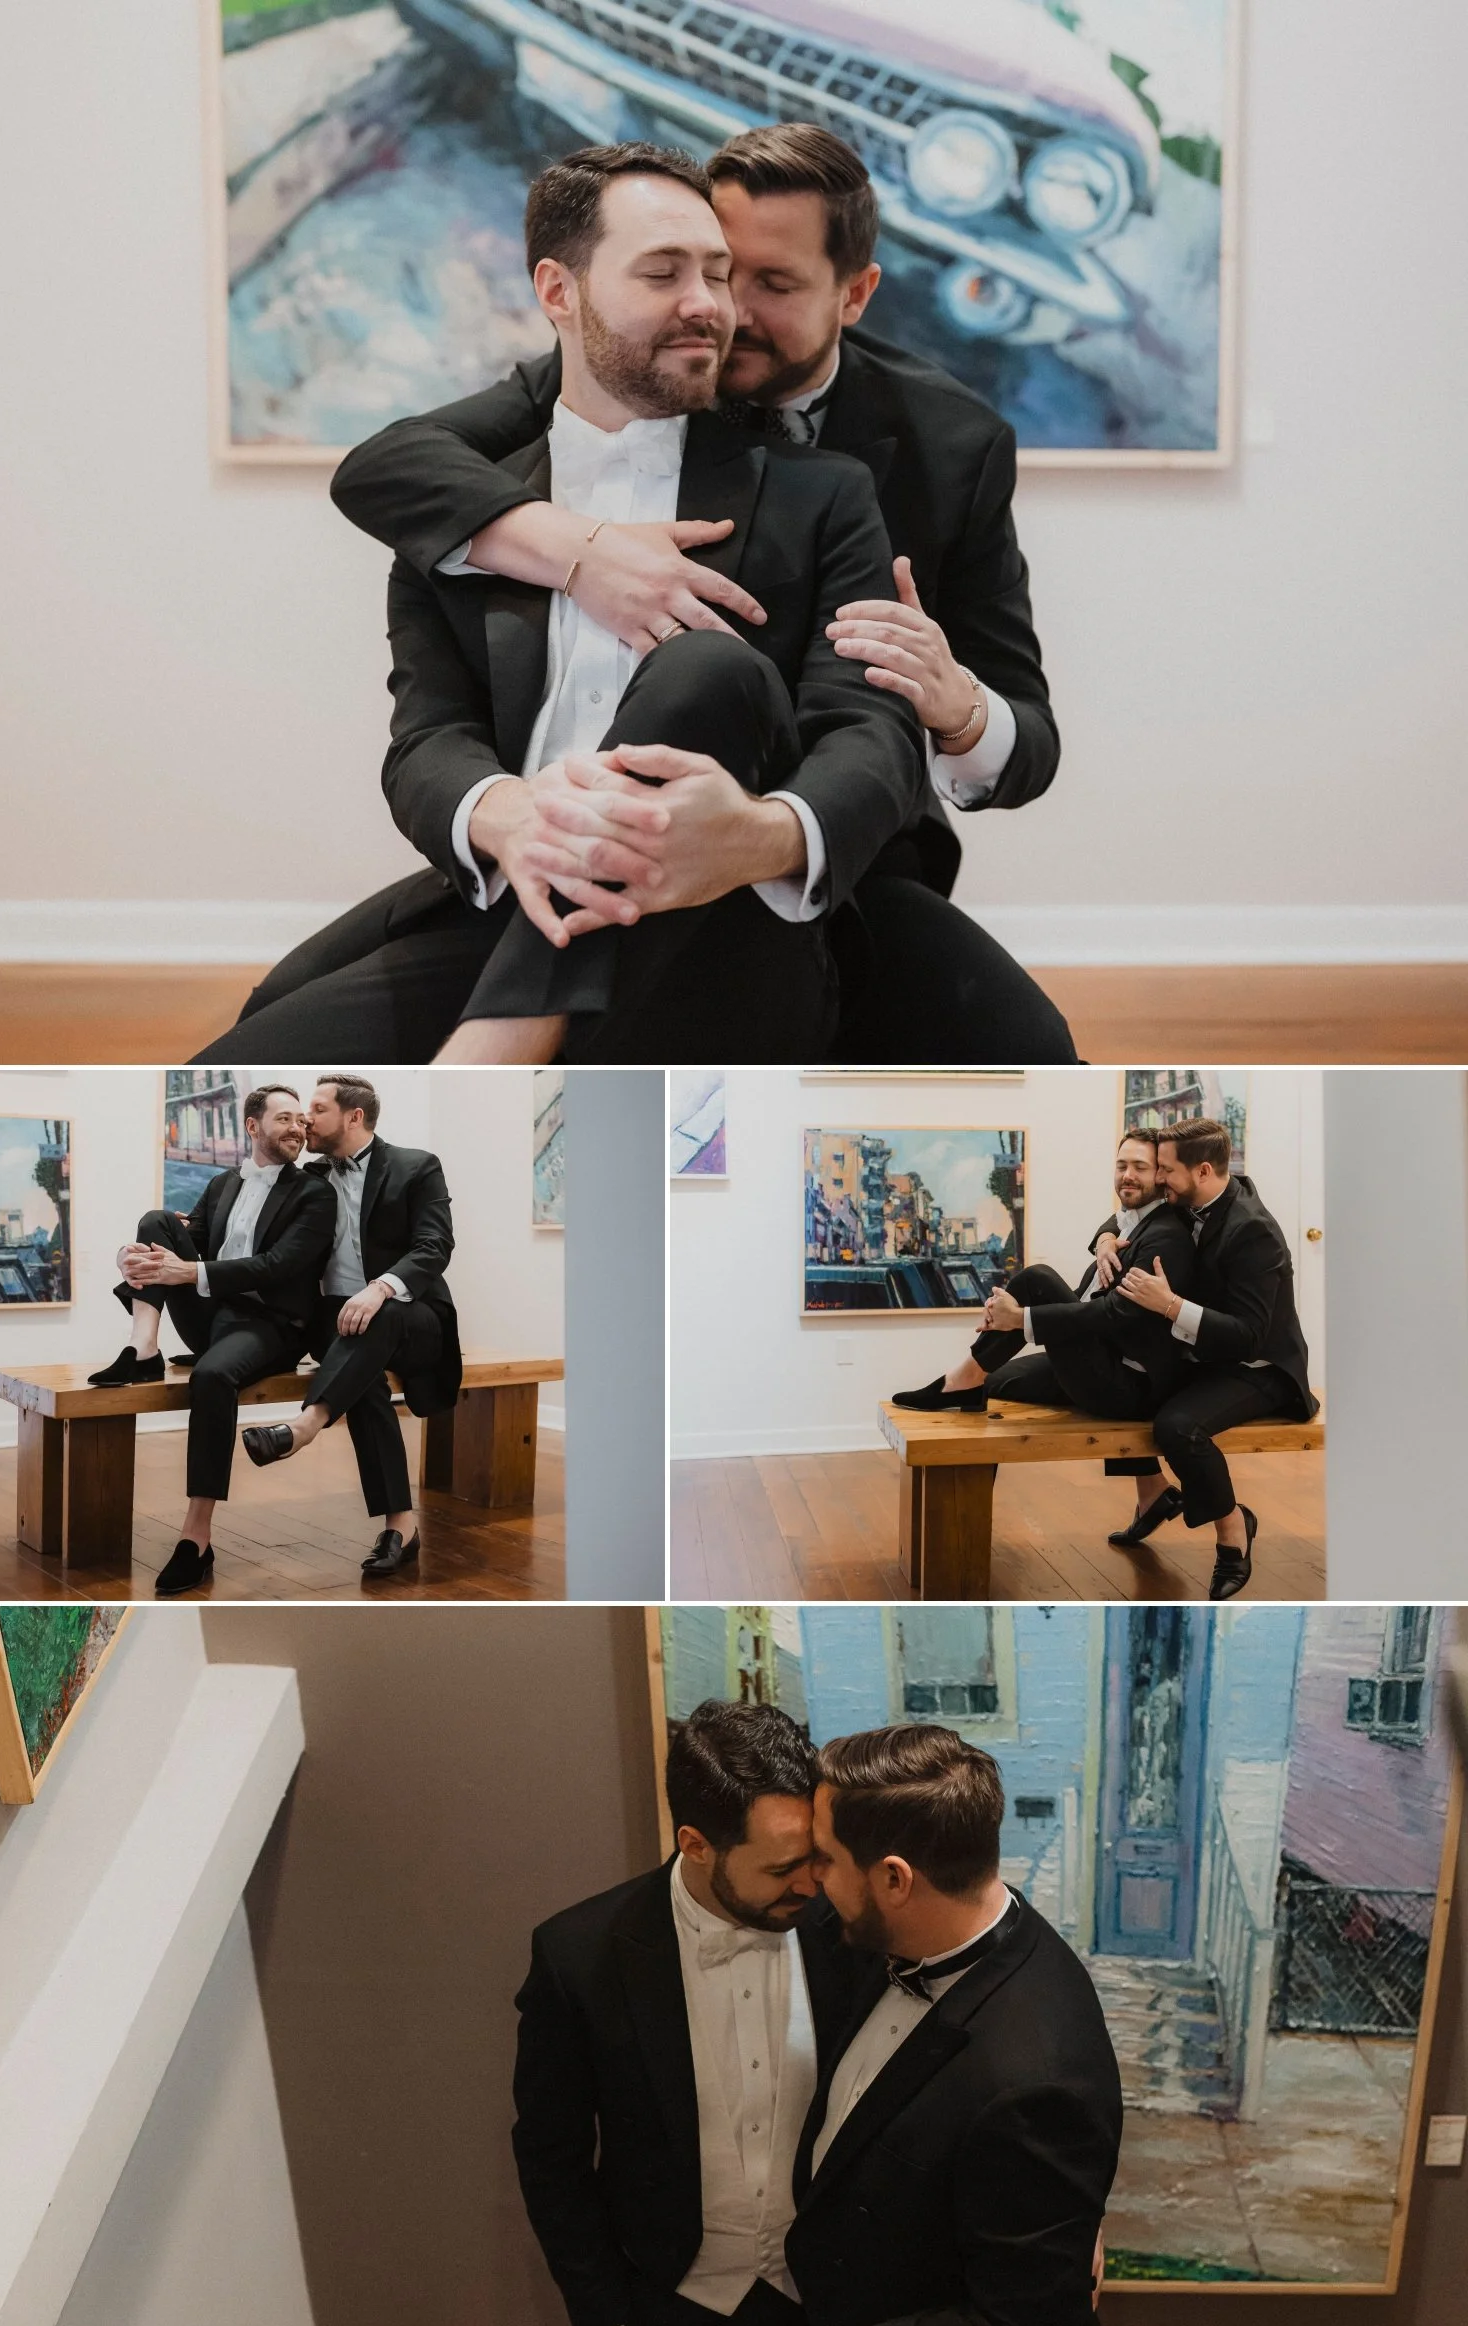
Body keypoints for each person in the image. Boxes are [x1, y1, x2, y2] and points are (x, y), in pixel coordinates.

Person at [199, 149, 929, 1070]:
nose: (707, 302)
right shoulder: (473, 516)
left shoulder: (821, 495)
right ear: (559, 290)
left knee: (711, 668)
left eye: (717, 273)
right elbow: (428, 743)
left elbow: (875, 734)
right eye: (663, 273)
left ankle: (495, 1050)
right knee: (242, 1069)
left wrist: (759, 834)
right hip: (510, 903)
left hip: (730, 928)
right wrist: (510, 816)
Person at [745, 1721, 1123, 2326]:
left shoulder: (1030, 2070)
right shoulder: (908, 1936)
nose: (809, 1879)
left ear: (896, 1879)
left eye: (826, 1860)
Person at [511, 1695, 876, 2326]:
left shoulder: (849, 1930)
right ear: (697, 1843)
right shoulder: (580, 1956)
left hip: (806, 2308)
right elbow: (548, 2152)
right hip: (657, 2310)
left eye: (817, 1853)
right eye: (784, 1863)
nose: (813, 1880)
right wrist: (608, 2319)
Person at [978, 1120, 1317, 1594]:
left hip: (1255, 1366)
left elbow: (1249, 1337)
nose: (1157, 1178)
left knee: (1177, 1426)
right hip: (1197, 1353)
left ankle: (1233, 1528)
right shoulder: (1192, 1200)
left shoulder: (1252, 1232)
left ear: (1200, 1171)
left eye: (1164, 1170)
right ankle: (1153, 1494)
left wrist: (1170, 1305)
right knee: (1009, 1382)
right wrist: (1105, 1237)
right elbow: (1133, 1214)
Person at [88, 1081, 336, 1596]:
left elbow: (280, 1265)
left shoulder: (314, 1192)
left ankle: (196, 1538)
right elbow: (185, 1241)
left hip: (271, 1325)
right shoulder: (222, 1184)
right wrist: (129, 1257)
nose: (298, 1128)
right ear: (253, 1126)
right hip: (214, 1317)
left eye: (301, 1120)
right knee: (156, 1219)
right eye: (285, 1119)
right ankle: (144, 1348)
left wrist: (189, 1272)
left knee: (213, 1375)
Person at [241, 1071, 461, 1581]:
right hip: (337, 1321)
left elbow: (435, 1246)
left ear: (353, 1116)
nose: (304, 1119)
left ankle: (306, 1424)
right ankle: (400, 1526)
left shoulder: (416, 1166)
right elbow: (257, 1209)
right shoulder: (312, 1178)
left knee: (375, 1322)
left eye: (316, 1109)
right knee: (364, 1380)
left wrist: (381, 1286)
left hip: (413, 1314)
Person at [891, 1124, 1168, 1408]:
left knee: (1038, 1278)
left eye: (1140, 1167)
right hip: (1092, 1353)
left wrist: (1020, 1316)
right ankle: (967, 1382)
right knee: (993, 1381)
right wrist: (1105, 1238)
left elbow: (1116, 1314)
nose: (1128, 1175)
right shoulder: (1126, 1223)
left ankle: (958, 1381)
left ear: (1161, 1173)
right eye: (1121, 1165)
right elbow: (1094, 1287)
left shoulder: (1164, 1234)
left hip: (1122, 1382)